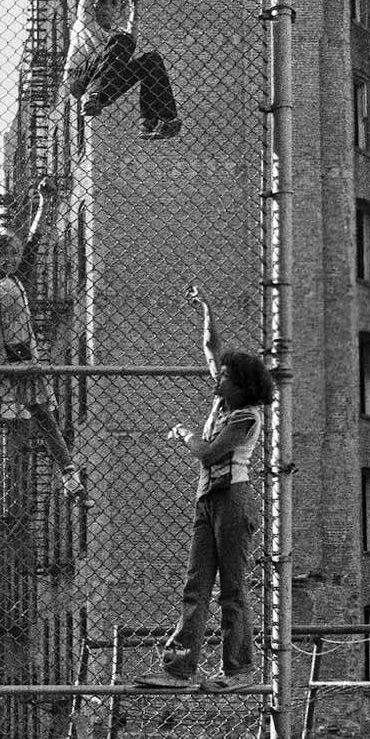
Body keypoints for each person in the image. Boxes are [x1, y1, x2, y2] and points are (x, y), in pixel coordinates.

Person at [141, 283, 275, 688]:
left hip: (233, 500)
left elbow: (209, 453)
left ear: (242, 385)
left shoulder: (247, 416)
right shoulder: (225, 401)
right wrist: (207, 309)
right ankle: (179, 670)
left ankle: (239, 670)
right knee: (196, 587)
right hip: (208, 500)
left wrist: (184, 433)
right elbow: (213, 349)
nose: (217, 382)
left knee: (232, 590)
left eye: (225, 379)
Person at [0, 175, 80, 516]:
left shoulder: (20, 278)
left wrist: (44, 202)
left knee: (43, 413)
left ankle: (69, 474)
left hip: (22, 356)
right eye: (2, 254)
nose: (9, 259)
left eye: (13, 254)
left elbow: (36, 241)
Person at [62, 0, 182, 139]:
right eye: (102, 1)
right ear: (94, 4)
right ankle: (93, 94)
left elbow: (131, 38)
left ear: (119, 11)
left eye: (114, 3)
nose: (107, 6)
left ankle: (157, 120)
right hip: (79, 79)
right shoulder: (86, 19)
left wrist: (135, 4)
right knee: (122, 41)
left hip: (105, 88)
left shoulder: (116, 35)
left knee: (151, 59)